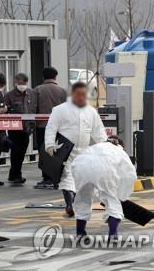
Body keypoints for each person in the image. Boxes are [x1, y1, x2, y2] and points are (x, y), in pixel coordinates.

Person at [45, 82, 107, 217]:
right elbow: (51, 127)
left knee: (81, 178)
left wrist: (105, 145)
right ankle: (70, 204)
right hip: (64, 150)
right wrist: (49, 145)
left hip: (84, 151)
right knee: (66, 176)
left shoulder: (91, 111)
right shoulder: (59, 110)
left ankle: (76, 202)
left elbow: (98, 130)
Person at [71, 136, 137, 238]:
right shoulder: (119, 151)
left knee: (82, 200)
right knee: (112, 202)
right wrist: (122, 195)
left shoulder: (94, 147)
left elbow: (76, 163)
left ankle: (80, 233)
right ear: (120, 145)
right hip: (104, 170)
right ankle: (113, 234)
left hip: (81, 167)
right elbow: (130, 175)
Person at [34, 67, 67, 189]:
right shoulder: (63, 91)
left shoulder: (37, 90)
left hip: (42, 126)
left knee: (44, 152)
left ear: (43, 77)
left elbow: (33, 108)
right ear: (55, 77)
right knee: (58, 152)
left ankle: (47, 178)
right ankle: (56, 177)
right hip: (60, 128)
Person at [4, 73, 37, 184]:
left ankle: (14, 174)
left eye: (24, 84)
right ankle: (16, 175)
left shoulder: (31, 94)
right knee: (15, 152)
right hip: (14, 128)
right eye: (20, 83)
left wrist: (32, 126)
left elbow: (33, 110)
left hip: (27, 128)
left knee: (22, 152)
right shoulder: (9, 95)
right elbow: (4, 111)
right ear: (16, 82)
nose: (22, 86)